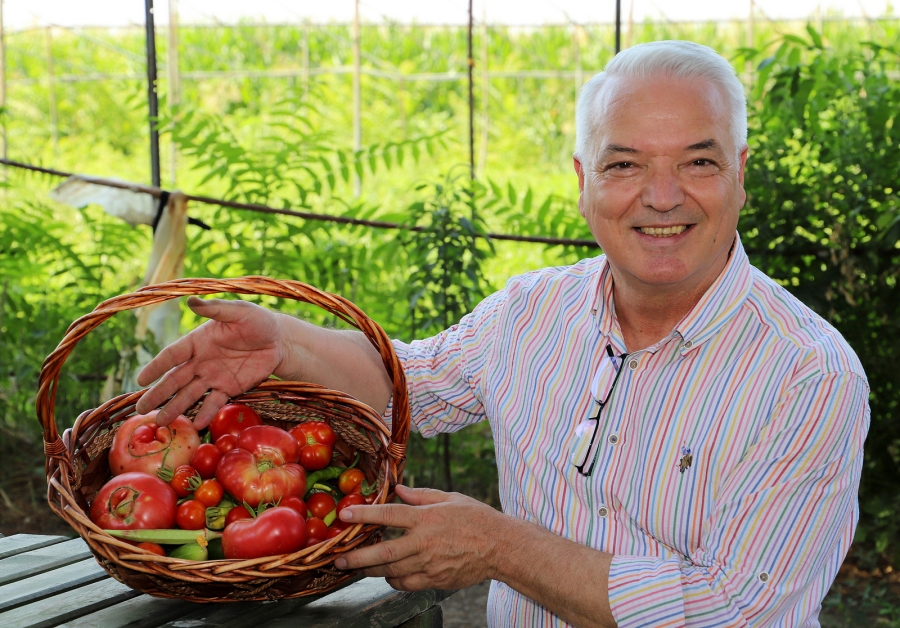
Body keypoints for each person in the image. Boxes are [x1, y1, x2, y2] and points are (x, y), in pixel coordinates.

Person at [136, 40, 869, 627]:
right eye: (625, 164)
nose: (662, 195)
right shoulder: (532, 312)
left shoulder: (807, 376)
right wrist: (285, 343)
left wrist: (501, 547)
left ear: (740, 171)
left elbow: (736, 613)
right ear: (585, 180)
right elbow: (412, 385)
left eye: (698, 161)